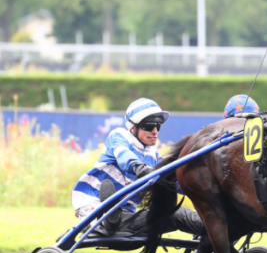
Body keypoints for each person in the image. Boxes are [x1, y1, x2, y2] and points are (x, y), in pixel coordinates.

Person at [71, 98, 204, 237]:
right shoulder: (119, 136)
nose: (154, 131)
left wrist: (198, 188)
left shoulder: (152, 156)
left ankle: (214, 228)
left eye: (158, 125)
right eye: (149, 126)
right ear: (132, 127)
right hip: (92, 205)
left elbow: (175, 182)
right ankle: (103, 221)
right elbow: (124, 156)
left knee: (178, 214)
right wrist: (139, 168)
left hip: (126, 217)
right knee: (105, 214)